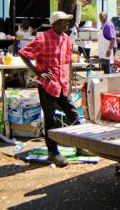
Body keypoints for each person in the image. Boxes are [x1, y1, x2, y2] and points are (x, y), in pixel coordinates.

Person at [18, 11, 82, 168]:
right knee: (50, 119)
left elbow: (68, 62)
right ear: (54, 24)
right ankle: (53, 153)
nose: (66, 25)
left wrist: (70, 81)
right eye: (63, 22)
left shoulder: (66, 39)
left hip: (63, 85)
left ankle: (81, 146)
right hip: (48, 86)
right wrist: (39, 73)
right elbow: (24, 53)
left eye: (67, 22)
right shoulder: (42, 38)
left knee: (74, 115)